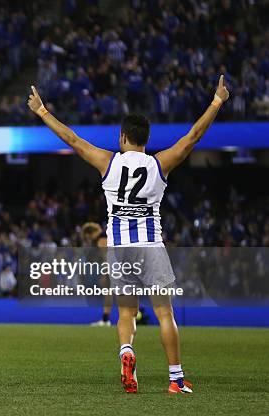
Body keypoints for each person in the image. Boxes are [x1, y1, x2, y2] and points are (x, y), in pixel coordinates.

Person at [28, 75, 229, 394]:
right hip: (151, 246)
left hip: (120, 248)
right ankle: (175, 379)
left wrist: (42, 111)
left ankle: (127, 353)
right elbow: (192, 137)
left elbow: (73, 140)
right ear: (145, 139)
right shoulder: (159, 163)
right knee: (165, 313)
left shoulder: (107, 162)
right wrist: (217, 101)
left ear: (122, 137)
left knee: (125, 312)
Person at [81, 222, 112, 327]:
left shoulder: (101, 239)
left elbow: (107, 257)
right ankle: (105, 319)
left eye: (87, 238)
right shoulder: (105, 235)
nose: (89, 240)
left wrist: (106, 274)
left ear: (89, 234)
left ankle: (106, 320)